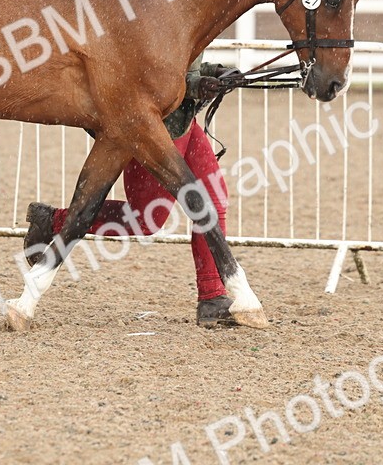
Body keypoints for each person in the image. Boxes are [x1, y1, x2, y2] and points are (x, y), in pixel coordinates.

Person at [22, 63, 237, 327]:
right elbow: (153, 68)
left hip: (181, 120)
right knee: (146, 219)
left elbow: (181, 59)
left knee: (213, 201)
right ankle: (53, 221)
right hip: (152, 128)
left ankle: (213, 297)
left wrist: (212, 72)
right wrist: (195, 85)